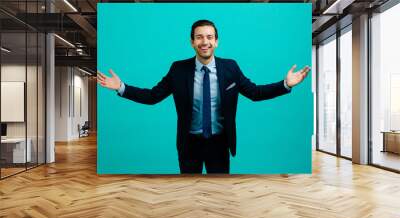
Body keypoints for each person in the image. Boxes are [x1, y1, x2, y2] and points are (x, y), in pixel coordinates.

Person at [97, 19, 310, 174]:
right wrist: (121, 87)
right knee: (190, 197)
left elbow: (255, 93)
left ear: (216, 41)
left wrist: (285, 84)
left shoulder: (231, 68)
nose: (204, 41)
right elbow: (153, 96)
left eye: (209, 37)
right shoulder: (178, 69)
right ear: (192, 42)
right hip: (189, 144)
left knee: (220, 197)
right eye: (199, 37)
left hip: (219, 143)